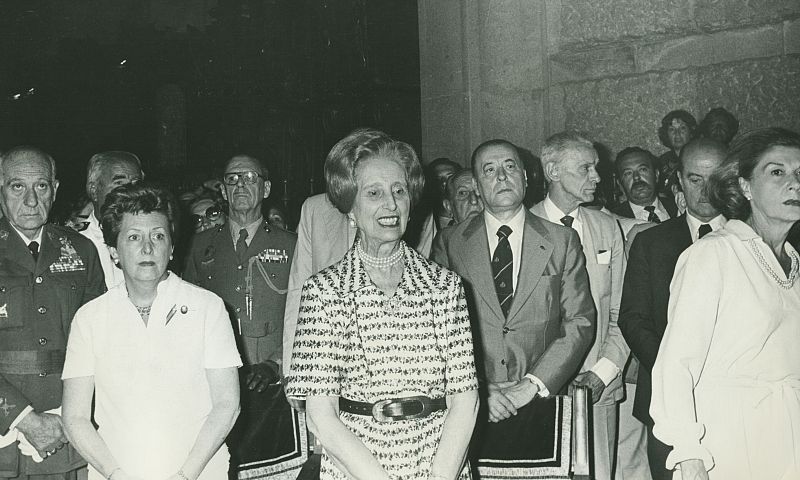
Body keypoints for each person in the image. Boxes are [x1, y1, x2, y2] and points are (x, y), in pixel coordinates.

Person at [286, 129, 479, 480]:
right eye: (373, 193)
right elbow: (320, 414)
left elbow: (466, 399)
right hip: (358, 469)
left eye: (399, 191)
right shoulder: (324, 292)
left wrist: (440, 477)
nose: (390, 205)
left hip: (440, 463)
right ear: (351, 208)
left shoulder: (445, 286)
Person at [431, 139, 595, 474]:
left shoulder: (561, 240)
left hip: (543, 403)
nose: (501, 176)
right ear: (477, 186)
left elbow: (580, 320)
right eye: (489, 170)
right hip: (474, 404)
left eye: (509, 167)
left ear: (525, 175)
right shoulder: (450, 243)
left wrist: (531, 385)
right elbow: (435, 329)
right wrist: (477, 387)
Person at [61, 183, 241, 480]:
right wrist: (115, 473)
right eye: (133, 237)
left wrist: (185, 475)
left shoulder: (208, 308)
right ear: (113, 251)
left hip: (199, 473)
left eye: (158, 236)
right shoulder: (90, 318)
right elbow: (75, 417)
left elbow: (227, 405)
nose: (147, 248)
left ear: (171, 248)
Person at [650, 127, 800, 480]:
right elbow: (675, 365)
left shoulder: (795, 263)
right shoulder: (713, 253)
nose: (794, 184)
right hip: (730, 441)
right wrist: (689, 456)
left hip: (788, 435)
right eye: (777, 172)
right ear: (745, 186)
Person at [183, 154, 299, 478]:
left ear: (266, 188)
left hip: (272, 389)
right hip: (214, 389)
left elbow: (302, 318)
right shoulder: (199, 245)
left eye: (250, 178)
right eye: (232, 179)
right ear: (222, 189)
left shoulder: (292, 246)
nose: (241, 185)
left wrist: (275, 365)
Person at [619, 137, 727, 480]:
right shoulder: (651, 242)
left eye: (715, 178)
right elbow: (633, 319)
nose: (706, 190)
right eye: (695, 179)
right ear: (678, 180)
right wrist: (676, 374)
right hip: (666, 406)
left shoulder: (751, 238)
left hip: (737, 401)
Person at [0, 146, 105, 479]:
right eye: (18, 186)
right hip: (6, 436)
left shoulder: (81, 250)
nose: (31, 200)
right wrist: (23, 419)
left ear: (55, 189)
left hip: (68, 429)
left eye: (41, 186)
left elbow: (100, 342)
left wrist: (71, 415)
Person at [530, 132, 629, 480]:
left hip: (597, 389)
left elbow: (622, 310)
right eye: (585, 168)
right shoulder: (523, 228)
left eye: (596, 168)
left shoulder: (607, 227)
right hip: (537, 392)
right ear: (553, 171)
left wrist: (603, 373)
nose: (597, 177)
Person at [81, 151, 144, 289]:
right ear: (93, 190)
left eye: (136, 183)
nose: (130, 192)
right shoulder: (77, 241)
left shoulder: (152, 236)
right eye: (119, 184)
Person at [611, 147, 678, 222]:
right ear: (620, 184)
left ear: (656, 175)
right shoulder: (612, 220)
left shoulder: (679, 208)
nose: (636, 177)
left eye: (642, 169)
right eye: (628, 173)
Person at [656, 110, 696, 195]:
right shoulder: (662, 162)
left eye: (682, 128)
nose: (677, 134)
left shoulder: (699, 158)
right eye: (672, 129)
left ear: (691, 132)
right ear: (666, 134)